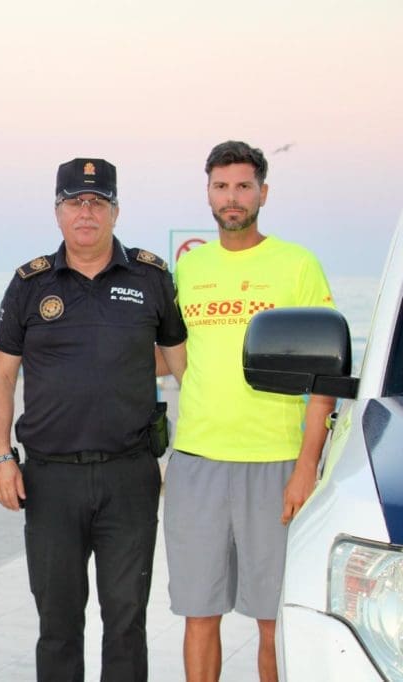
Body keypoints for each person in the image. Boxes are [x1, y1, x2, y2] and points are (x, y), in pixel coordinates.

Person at [0, 158, 187, 681]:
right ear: (58, 211)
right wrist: (1, 456)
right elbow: (2, 377)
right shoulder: (30, 283)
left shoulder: (150, 278)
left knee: (126, 623)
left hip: (130, 475)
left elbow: (182, 366)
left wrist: (193, 452)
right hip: (50, 478)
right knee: (57, 624)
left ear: (115, 211)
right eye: (75, 202)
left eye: (98, 203)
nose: (86, 213)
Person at [164, 140, 336, 682]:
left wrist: (307, 465)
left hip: (276, 462)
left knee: (274, 618)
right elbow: (168, 355)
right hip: (197, 461)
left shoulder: (297, 265)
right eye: (221, 186)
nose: (232, 197)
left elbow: (325, 375)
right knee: (199, 613)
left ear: (263, 192)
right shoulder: (189, 269)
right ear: (208, 194)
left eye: (243, 186)